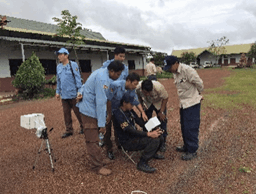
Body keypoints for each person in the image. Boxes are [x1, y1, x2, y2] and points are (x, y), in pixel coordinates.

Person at [76, 60, 124, 176]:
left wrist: (80, 91)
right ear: (111, 71)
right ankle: (96, 167)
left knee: (96, 138)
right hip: (89, 110)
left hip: (92, 108)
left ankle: (98, 160)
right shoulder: (103, 79)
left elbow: (85, 84)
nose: (118, 77)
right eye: (117, 74)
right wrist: (102, 125)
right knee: (92, 139)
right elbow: (101, 102)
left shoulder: (102, 72)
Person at [163, 55, 204, 160]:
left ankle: (192, 150)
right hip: (183, 103)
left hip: (192, 103)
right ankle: (187, 146)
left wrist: (197, 95)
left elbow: (200, 84)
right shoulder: (175, 73)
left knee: (192, 127)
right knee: (184, 126)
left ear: (176, 63)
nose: (169, 70)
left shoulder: (187, 70)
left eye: (170, 67)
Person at [113, 93, 164, 173]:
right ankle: (142, 163)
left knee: (159, 135)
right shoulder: (118, 114)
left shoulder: (130, 111)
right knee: (154, 140)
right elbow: (129, 130)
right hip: (127, 141)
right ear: (124, 103)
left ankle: (152, 153)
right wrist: (148, 134)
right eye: (131, 104)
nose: (133, 106)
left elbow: (140, 122)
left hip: (135, 137)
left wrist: (153, 126)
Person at [105, 72, 148, 160]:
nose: (136, 86)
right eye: (135, 84)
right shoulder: (115, 85)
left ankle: (120, 145)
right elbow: (106, 99)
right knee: (107, 130)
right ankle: (109, 150)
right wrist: (108, 113)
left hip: (119, 111)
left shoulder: (131, 90)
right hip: (108, 109)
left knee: (120, 127)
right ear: (128, 81)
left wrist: (142, 112)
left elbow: (135, 100)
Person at [55, 48, 84, 138]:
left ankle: (83, 127)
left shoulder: (73, 65)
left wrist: (80, 91)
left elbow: (78, 79)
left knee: (78, 112)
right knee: (66, 114)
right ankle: (69, 130)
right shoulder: (58, 67)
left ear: (66, 55)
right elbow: (58, 81)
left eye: (61, 54)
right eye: (58, 55)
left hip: (74, 95)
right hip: (64, 95)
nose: (59, 56)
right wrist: (57, 92)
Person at [136, 79, 169, 152]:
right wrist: (142, 111)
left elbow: (165, 98)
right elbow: (138, 99)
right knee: (146, 121)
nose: (147, 94)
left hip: (158, 103)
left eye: (149, 92)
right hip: (147, 104)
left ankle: (162, 142)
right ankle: (146, 140)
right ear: (142, 89)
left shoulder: (158, 87)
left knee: (162, 120)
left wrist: (162, 112)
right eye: (145, 92)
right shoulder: (137, 87)